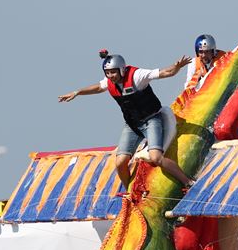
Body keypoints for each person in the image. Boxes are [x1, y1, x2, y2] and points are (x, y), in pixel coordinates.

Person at [59, 51, 194, 189]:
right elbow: (99, 87)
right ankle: (129, 191)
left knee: (156, 158)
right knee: (120, 162)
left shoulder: (137, 76)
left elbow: (165, 72)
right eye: (108, 73)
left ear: (122, 70)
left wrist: (176, 67)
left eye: (113, 72)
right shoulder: (110, 81)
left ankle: (188, 182)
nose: (111, 76)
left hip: (151, 120)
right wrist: (77, 92)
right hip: (132, 125)